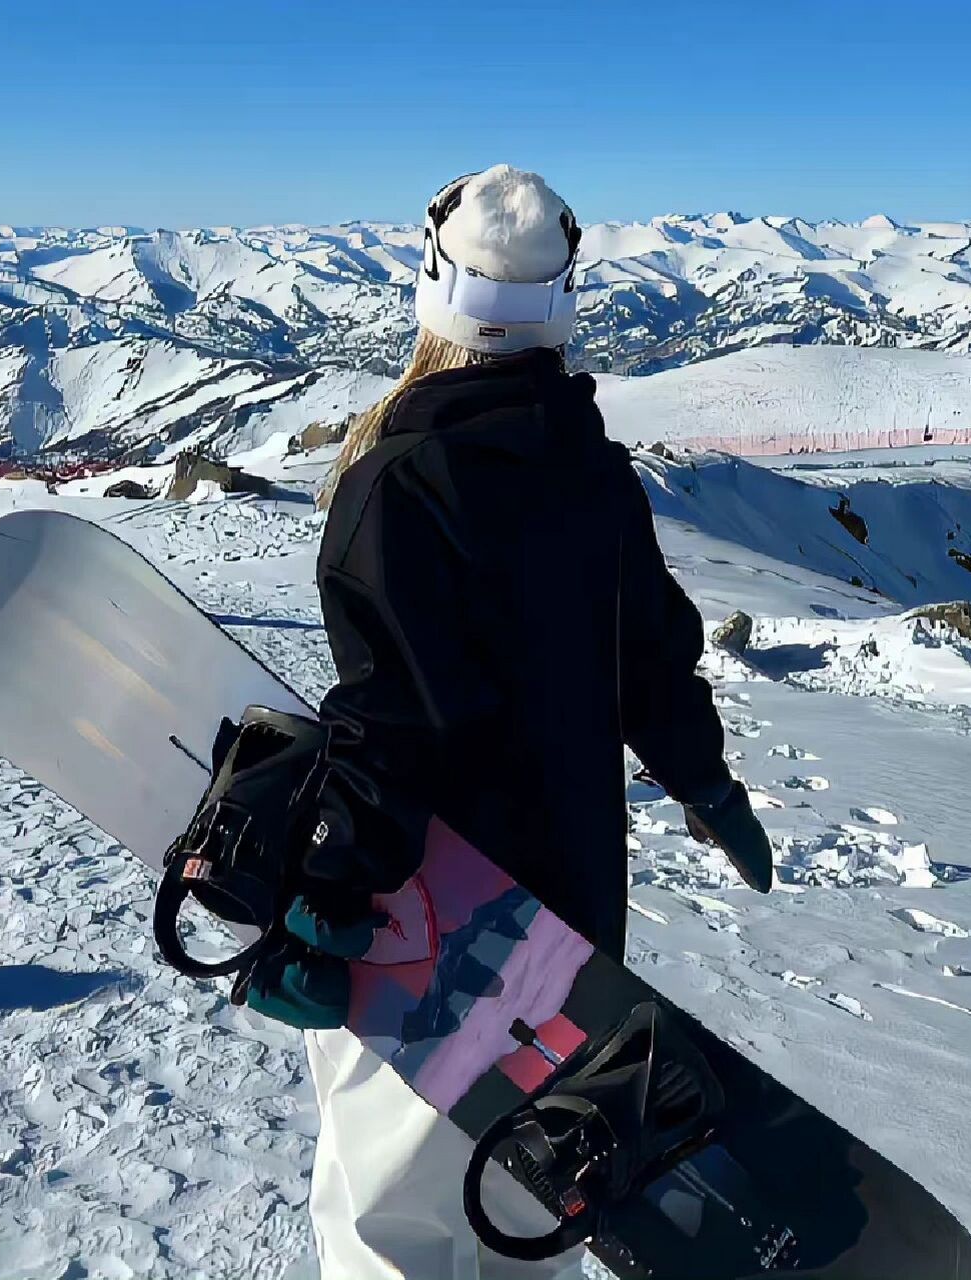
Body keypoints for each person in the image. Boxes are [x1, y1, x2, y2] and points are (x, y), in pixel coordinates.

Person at [247, 164, 773, 1280]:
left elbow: (397, 715)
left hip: (421, 933)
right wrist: (703, 779)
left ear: (432, 285)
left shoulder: (399, 478)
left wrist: (327, 887)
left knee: (394, 1226)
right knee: (526, 1224)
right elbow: (651, 657)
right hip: (566, 932)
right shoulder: (592, 471)